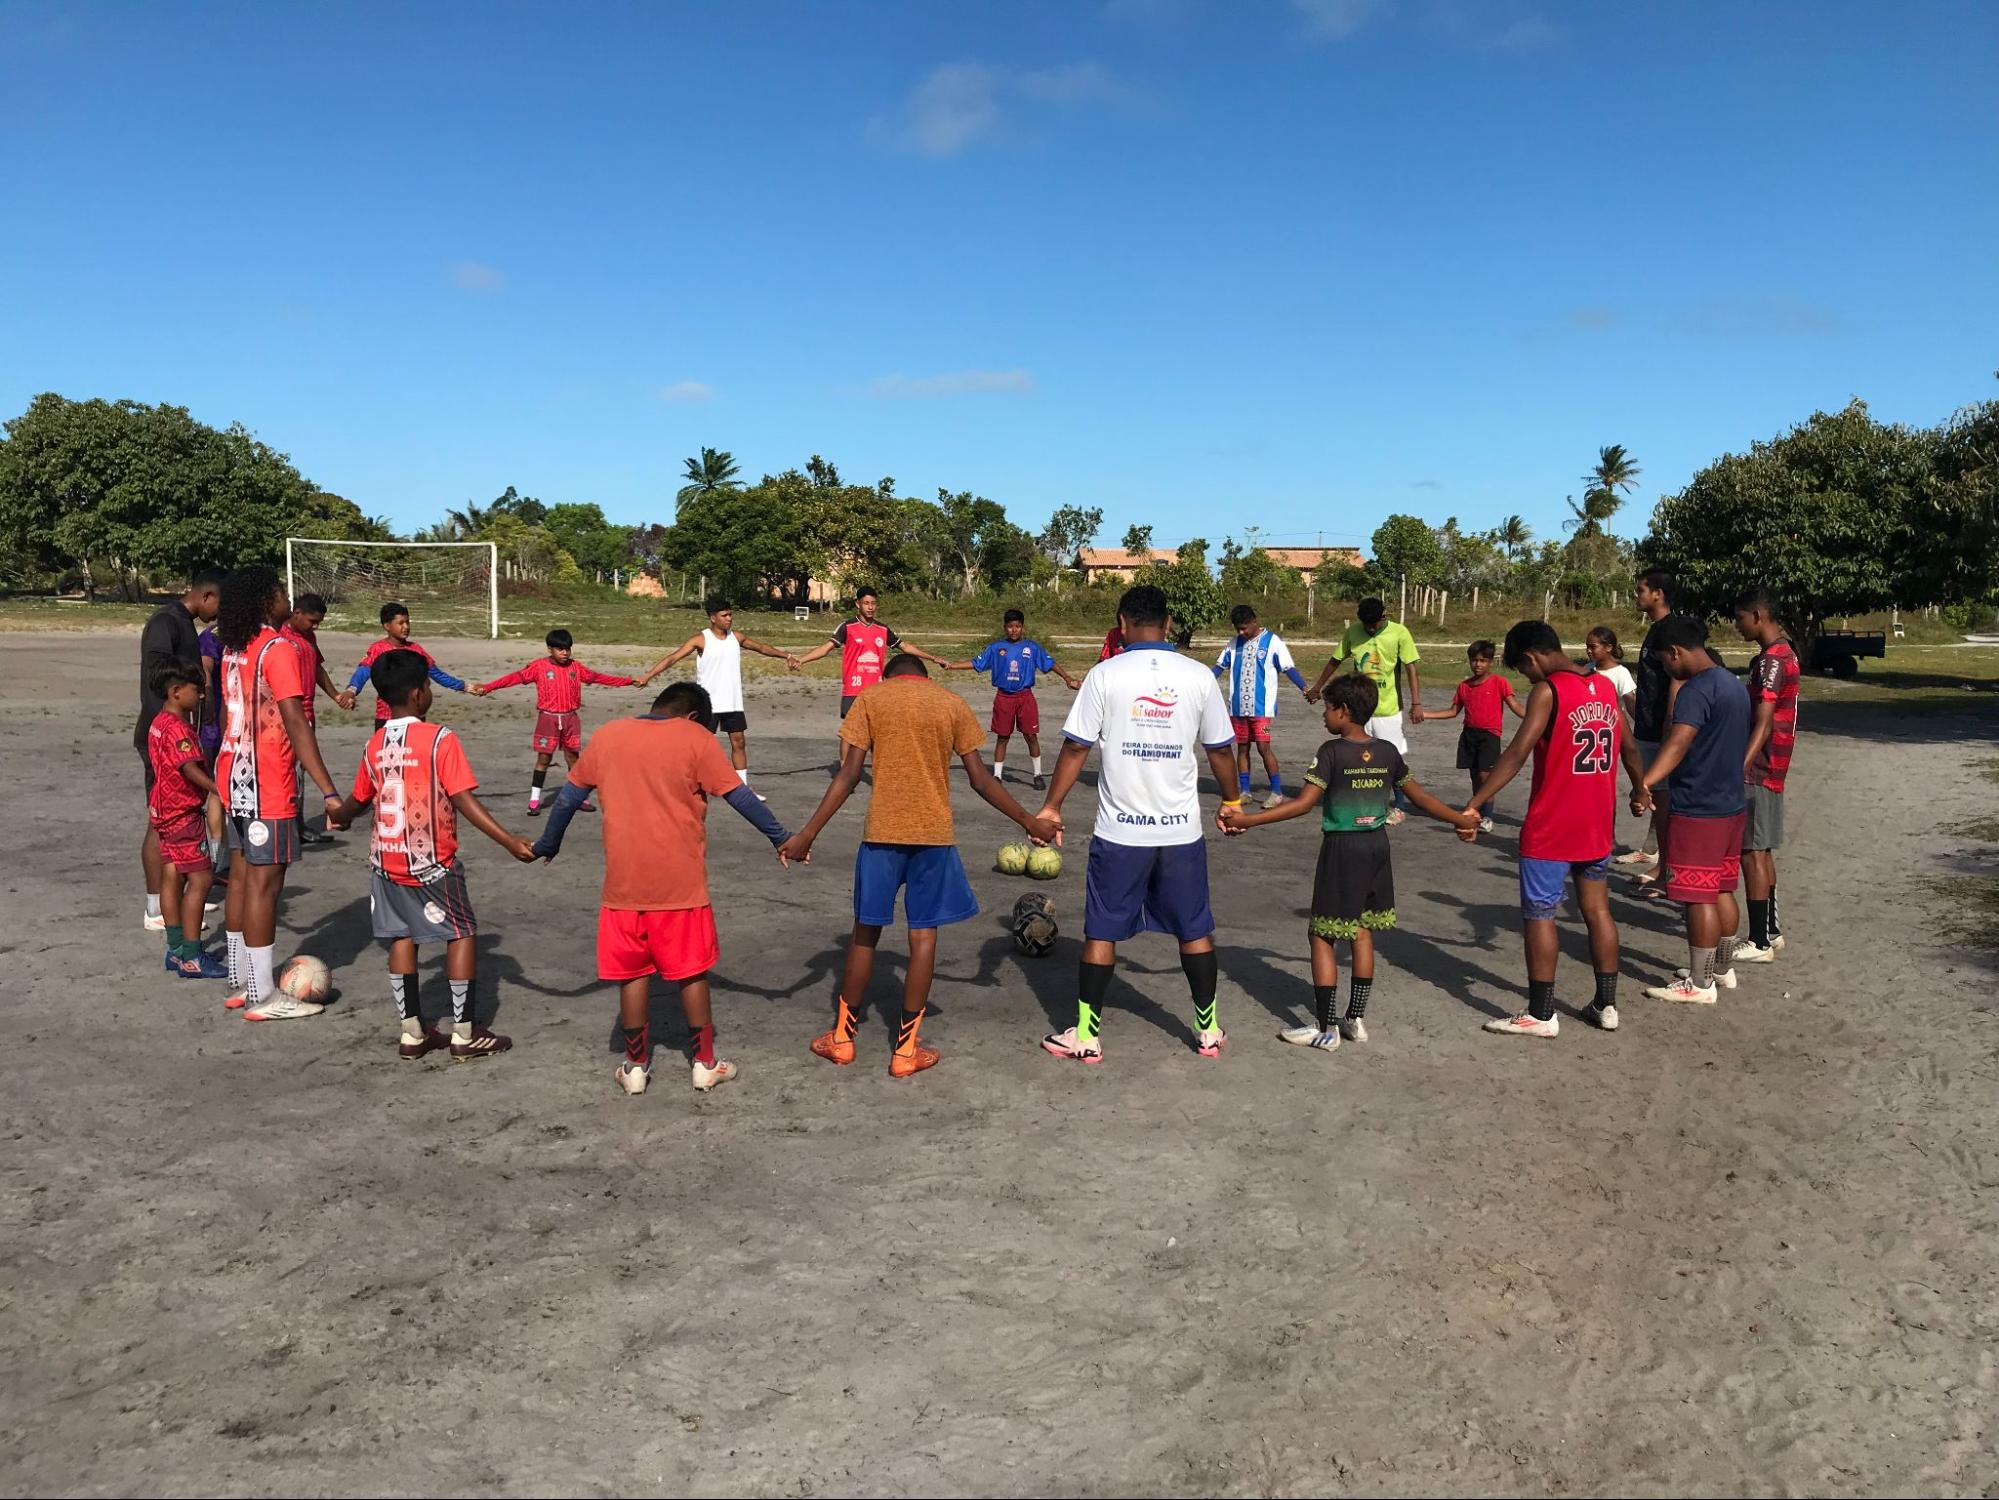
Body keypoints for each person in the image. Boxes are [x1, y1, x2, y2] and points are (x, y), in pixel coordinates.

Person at [778, 655, 1053, 1079]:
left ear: (889, 675)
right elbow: (981, 780)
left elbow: (849, 775)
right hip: (933, 838)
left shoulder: (870, 699)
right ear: (922, 676)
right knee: (923, 937)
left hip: (881, 836)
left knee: (865, 934)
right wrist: (1030, 821)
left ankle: (843, 1040)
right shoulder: (950, 702)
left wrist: (806, 834)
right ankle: (905, 1051)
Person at [534, 681, 794, 1096]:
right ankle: (705, 1063)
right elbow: (739, 796)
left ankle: (636, 1066)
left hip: (623, 885)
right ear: (693, 718)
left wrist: (549, 844)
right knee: (691, 970)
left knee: (632, 973)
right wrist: (781, 837)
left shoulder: (608, 735)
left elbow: (566, 800)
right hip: (680, 884)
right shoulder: (694, 739)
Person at [1035, 585, 1241, 1064]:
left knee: (1102, 933)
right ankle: (1207, 1031)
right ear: (1168, 624)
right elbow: (1220, 750)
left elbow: (1075, 747)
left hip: (1121, 833)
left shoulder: (1105, 675)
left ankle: (1086, 1035)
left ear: (1122, 624)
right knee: (1195, 929)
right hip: (1180, 833)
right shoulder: (1198, 676)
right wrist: (1231, 801)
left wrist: (1051, 807)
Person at [1220, 675, 1477, 1050]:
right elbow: (1420, 800)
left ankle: (1326, 1028)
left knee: (1321, 934)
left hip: (1343, 849)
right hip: (1377, 846)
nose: (1324, 715)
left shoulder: (1331, 752)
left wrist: (1248, 820)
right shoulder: (1388, 751)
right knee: (1360, 931)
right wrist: (1462, 819)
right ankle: (1355, 1018)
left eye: (1328, 708)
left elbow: (1304, 803)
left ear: (1343, 711)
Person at [325, 649, 536, 1061]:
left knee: (401, 936)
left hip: (385, 863)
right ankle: (462, 1034)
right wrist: (509, 841)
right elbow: (464, 800)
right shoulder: (440, 739)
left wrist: (341, 815)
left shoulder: (375, 743)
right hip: (431, 863)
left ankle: (411, 1033)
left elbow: (358, 799)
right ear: (421, 693)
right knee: (461, 932)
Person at [1465, 621, 1648, 1038]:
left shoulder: (1548, 691)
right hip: (1597, 822)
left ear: (1531, 658)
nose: (1527, 678)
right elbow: (1631, 749)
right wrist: (1640, 789)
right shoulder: (1604, 687)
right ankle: (1606, 1004)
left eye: (1524, 670)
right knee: (1598, 910)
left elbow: (1515, 753)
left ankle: (1542, 1012)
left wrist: (1476, 803)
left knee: (1540, 915)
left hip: (1552, 825)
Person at [213, 568, 346, 1021]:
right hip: (267, 781)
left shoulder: (235, 648)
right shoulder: (278, 648)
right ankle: (262, 995)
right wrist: (329, 790)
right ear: (265, 600)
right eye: (280, 590)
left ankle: (239, 980)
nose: (287, 595)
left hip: (231, 774)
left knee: (242, 877)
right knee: (265, 886)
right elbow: (295, 720)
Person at [1637, 615, 1751, 1005]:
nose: (1667, 669)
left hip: (1699, 806)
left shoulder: (1695, 690)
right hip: (1731, 804)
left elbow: (1678, 742)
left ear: (1675, 652)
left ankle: (1699, 985)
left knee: (1696, 896)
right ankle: (1720, 969)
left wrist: (1646, 782)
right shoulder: (1733, 684)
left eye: (1665, 662)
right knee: (1720, 888)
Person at [638, 597, 799, 801]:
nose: (729, 619)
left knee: (739, 743)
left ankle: (743, 788)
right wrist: (648, 675)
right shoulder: (701, 639)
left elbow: (762, 648)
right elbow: (673, 658)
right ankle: (686, 784)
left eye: (730, 614)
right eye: (725, 615)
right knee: (699, 745)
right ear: (713, 618)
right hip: (707, 703)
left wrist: (787, 655)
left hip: (732, 701)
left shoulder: (736, 637)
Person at [136, 569, 224, 931]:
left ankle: (177, 903)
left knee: (176, 823)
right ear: (206, 596)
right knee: (161, 822)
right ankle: (155, 907)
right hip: (161, 736)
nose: (218, 615)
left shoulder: (187, 624)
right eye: (218, 605)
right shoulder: (166, 621)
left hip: (178, 734)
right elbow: (158, 670)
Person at [476, 629, 643, 815]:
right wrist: (488, 687)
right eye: (560, 649)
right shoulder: (538, 667)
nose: (565, 653)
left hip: (571, 718)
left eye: (568, 649)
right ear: (550, 649)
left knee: (573, 758)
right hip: (548, 719)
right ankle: (534, 800)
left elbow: (598, 677)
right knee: (544, 758)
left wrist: (628, 682)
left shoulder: (576, 668)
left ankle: (580, 798)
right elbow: (513, 678)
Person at [788, 586, 950, 763]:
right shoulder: (847, 627)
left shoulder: (882, 629)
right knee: (849, 732)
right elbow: (826, 648)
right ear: (858, 604)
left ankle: (880, 770)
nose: (870, 607)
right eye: (866, 603)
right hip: (853, 688)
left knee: (878, 731)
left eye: (873, 603)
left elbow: (905, 647)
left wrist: (932, 657)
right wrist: (802, 659)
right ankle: (844, 771)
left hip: (876, 690)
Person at [1306, 597, 1422, 821]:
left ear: (1383, 617)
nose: (1369, 628)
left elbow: (1411, 668)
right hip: (1359, 707)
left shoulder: (1399, 633)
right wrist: (1317, 688)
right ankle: (1361, 800)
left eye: (1373, 624)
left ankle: (1399, 806)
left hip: (1387, 708)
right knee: (1356, 753)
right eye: (1365, 624)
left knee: (1392, 756)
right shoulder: (1353, 633)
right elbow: (1335, 660)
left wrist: (1416, 703)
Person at [146, 662, 227, 980]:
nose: (201, 696)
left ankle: (176, 949)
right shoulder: (180, 729)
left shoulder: (159, 722)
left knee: (171, 875)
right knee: (201, 880)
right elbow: (188, 767)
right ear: (176, 692)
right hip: (182, 813)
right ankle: (193, 956)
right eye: (197, 690)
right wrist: (217, 789)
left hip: (162, 808)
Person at [1732, 587, 1800, 961]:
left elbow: (1764, 719)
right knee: (1763, 850)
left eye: (1740, 618)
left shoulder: (1772, 661)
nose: (1737, 625)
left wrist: (1741, 764)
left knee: (1752, 852)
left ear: (1757, 615)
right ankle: (1770, 931)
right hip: (1773, 766)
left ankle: (1758, 940)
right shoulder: (1783, 653)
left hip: (1760, 769)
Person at [944, 608, 1082, 790]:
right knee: (1003, 737)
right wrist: (951, 665)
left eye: (1017, 626)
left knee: (1031, 736)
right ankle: (998, 775)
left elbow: (1050, 663)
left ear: (1022, 628)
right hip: (1004, 698)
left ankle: (1037, 774)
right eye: (1010, 626)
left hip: (1025, 697)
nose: (1014, 630)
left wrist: (1067, 678)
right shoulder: (996, 648)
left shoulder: (1031, 648)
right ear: (1005, 628)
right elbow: (976, 663)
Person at [1213, 604, 1311, 808]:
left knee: (1263, 747)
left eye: (1244, 628)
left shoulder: (1272, 642)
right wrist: (1202, 682)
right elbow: (1219, 667)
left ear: (1254, 622)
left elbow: (1288, 668)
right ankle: (1245, 791)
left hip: (1261, 708)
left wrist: (1304, 687)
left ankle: (1276, 792)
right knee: (1242, 748)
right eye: (1237, 629)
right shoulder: (1234, 644)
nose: (1241, 632)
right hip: (1238, 707)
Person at [282, 593, 358, 845]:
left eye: (318, 623)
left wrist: (335, 694)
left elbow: (316, 668)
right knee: (287, 770)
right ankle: (287, 827)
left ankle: (298, 826)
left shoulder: (308, 638)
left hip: (308, 711)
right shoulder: (279, 636)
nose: (315, 627)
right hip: (286, 714)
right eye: (312, 621)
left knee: (301, 770)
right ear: (297, 613)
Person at [1426, 639, 1523, 831]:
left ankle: (1487, 816)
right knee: (1474, 777)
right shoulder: (1464, 686)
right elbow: (1453, 711)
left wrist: (1536, 717)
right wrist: (1426, 714)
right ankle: (1476, 811)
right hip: (1469, 735)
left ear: (1490, 662)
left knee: (1485, 777)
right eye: (1474, 660)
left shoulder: (1499, 683)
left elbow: (1516, 706)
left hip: (1489, 736)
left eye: (1483, 660)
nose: (1478, 664)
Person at [1622, 570, 1681, 885]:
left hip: (1661, 732)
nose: (1636, 595)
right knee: (1658, 803)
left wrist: (1669, 728)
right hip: (1647, 728)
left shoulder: (1668, 630)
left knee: (1665, 803)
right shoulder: (1655, 630)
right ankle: (1664, 866)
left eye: (1640, 590)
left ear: (1658, 593)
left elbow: (1675, 681)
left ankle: (1668, 872)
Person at [347, 602, 479, 723]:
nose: (406, 627)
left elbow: (436, 674)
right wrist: (351, 691)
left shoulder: (416, 649)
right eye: (401, 623)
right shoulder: (378, 649)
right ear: (387, 626)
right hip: (387, 718)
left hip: (415, 717)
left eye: (408, 622)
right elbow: (363, 672)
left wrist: (465, 687)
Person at [1586, 626, 1638, 718]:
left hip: (1612, 724)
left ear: (1608, 647)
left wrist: (1640, 726)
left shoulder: (1621, 673)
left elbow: (1630, 703)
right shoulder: (1587, 668)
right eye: (1587, 647)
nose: (1589, 651)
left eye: (1593, 647)